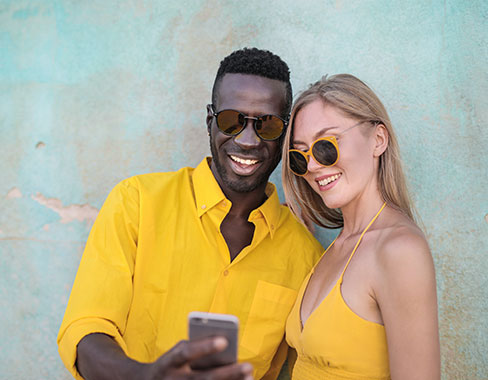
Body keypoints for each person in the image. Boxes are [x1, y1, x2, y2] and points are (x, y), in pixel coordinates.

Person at [57, 48, 323, 380]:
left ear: (284, 135)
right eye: (232, 120)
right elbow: (85, 331)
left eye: (267, 125)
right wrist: (147, 376)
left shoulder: (305, 257)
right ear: (210, 121)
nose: (248, 140)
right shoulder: (137, 203)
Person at [282, 74, 440, 380]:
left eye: (326, 145)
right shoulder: (333, 250)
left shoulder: (399, 251)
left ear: (378, 140)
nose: (312, 165)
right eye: (300, 156)